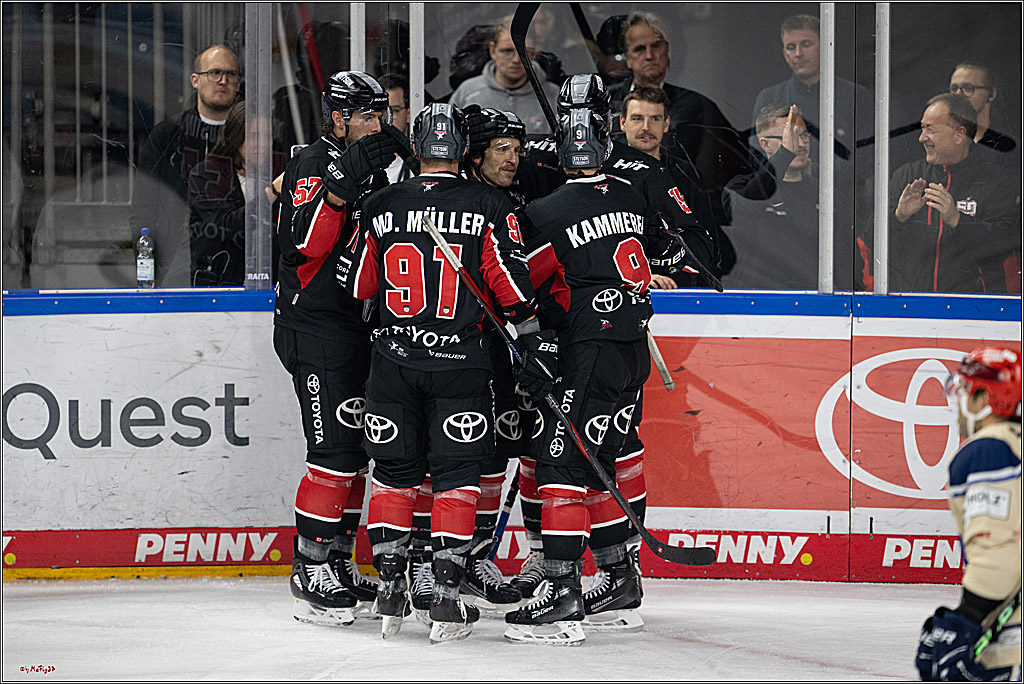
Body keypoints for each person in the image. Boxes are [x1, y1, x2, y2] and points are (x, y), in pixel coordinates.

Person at [342, 102, 540, 643]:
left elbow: (360, 285)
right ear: (461, 151)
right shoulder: (489, 204)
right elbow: (510, 287)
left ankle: (388, 592)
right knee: (455, 479)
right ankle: (447, 601)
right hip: (461, 364)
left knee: (393, 474)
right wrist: (532, 335)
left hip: (393, 363)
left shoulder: (380, 204)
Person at [504, 105, 686, 645]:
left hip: (589, 350)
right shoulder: (630, 196)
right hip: (632, 348)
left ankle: (562, 595)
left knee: (561, 462)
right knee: (608, 456)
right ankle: (619, 579)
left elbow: (521, 282)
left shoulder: (546, 210)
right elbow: (665, 250)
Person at [274, 70, 401, 627]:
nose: (377, 127)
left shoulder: (375, 169)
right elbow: (306, 246)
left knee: (357, 451)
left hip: (358, 328)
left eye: (383, 116)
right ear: (338, 118)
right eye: (367, 116)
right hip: (314, 327)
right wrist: (344, 183)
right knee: (334, 453)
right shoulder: (313, 163)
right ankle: (309, 567)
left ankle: (339, 561)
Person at [915, 346, 1021, 681]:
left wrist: (969, 617)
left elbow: (999, 546)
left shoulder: (990, 449)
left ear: (987, 400)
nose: (958, 404)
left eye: (967, 392)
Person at [607, 13, 752, 231]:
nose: (649, 55)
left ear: (668, 50)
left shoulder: (696, 105)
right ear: (626, 58)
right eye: (639, 49)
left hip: (682, 219)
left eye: (656, 45)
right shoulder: (607, 103)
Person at [132, 44, 241, 287]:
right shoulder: (167, 135)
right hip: (177, 268)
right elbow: (143, 207)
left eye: (230, 74)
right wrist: (150, 268)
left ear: (239, 83)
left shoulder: (251, 138)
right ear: (195, 80)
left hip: (237, 270)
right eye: (214, 73)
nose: (222, 81)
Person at [889, 93, 1019, 294]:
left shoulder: (996, 180)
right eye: (922, 128)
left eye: (930, 130)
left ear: (959, 135)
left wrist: (957, 219)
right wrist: (899, 216)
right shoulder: (907, 175)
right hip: (910, 307)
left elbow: (1009, 240)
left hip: (973, 309)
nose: (921, 138)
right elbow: (869, 240)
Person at [724, 103, 844, 290]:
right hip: (754, 303)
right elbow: (744, 207)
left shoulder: (825, 193)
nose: (800, 144)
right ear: (765, 144)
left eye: (804, 136)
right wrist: (784, 155)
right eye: (789, 137)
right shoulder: (740, 187)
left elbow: (844, 258)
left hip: (813, 304)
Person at [616, 84, 721, 286]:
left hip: (679, 293)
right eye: (637, 118)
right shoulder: (603, 172)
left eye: (655, 119)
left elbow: (705, 241)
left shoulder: (685, 174)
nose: (646, 127)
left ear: (666, 124)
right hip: (620, 291)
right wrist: (639, 277)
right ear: (622, 122)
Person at [750, 14, 871, 170]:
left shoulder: (854, 96)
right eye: (790, 47)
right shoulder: (769, 98)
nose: (798, 53)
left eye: (806, 44)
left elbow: (866, 161)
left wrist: (810, 170)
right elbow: (755, 158)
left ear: (825, 47)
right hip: (785, 194)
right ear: (784, 54)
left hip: (838, 193)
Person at [448, 23, 561, 135]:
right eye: (507, 51)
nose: (516, 60)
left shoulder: (552, 95)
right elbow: (449, 138)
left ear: (534, 54)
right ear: (492, 50)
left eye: (525, 52)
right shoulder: (467, 92)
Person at [186, 100, 246, 286]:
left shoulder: (275, 173)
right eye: (254, 136)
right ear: (237, 137)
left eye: (267, 135)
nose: (262, 143)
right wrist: (272, 193)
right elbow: (225, 224)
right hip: (219, 286)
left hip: (272, 285)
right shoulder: (207, 174)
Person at [948, 62, 1019, 167]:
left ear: (991, 94)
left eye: (968, 88)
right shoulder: (942, 140)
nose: (958, 94)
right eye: (954, 89)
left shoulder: (1007, 146)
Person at [377, 73, 415, 184]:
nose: (387, 119)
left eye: (394, 111)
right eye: (381, 112)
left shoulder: (421, 164)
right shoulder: (362, 164)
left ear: (408, 114)